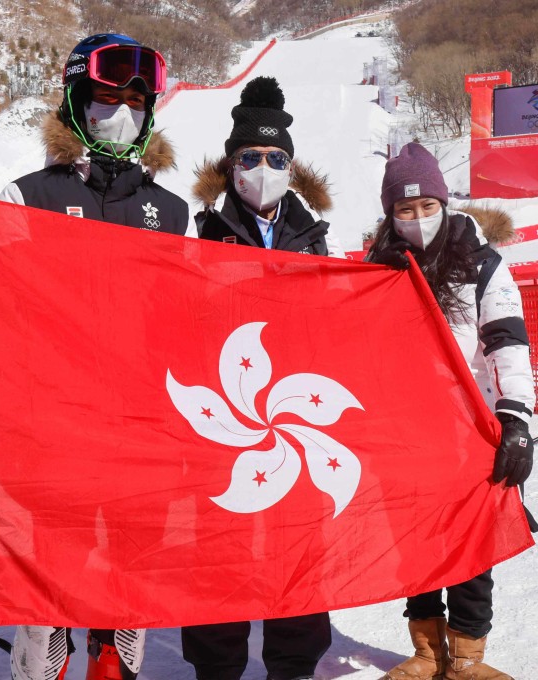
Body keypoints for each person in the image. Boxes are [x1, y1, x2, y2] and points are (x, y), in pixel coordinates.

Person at [0, 33, 189, 680]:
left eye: (135, 100)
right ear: (76, 102)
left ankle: (115, 664)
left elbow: (182, 324)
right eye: (107, 98)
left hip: (142, 430)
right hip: (57, 429)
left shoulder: (172, 211)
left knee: (132, 570)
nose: (122, 111)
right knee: (52, 574)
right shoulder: (28, 198)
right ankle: (42, 666)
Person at [183, 75, 340, 680]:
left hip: (293, 412)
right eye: (250, 157)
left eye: (277, 158)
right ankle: (215, 665)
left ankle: (293, 665)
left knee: (298, 542)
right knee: (219, 544)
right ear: (231, 163)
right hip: (222, 411)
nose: (263, 168)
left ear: (291, 167)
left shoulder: (314, 238)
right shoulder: (199, 231)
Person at [366, 143, 535, 680]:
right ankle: (426, 651)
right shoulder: (380, 264)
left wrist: (515, 418)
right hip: (406, 427)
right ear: (391, 213)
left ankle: (466, 657)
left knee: (470, 543)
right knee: (415, 541)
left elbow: (507, 339)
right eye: (404, 210)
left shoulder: (481, 262)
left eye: (427, 206)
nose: (417, 219)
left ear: (444, 202)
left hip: (471, 424)